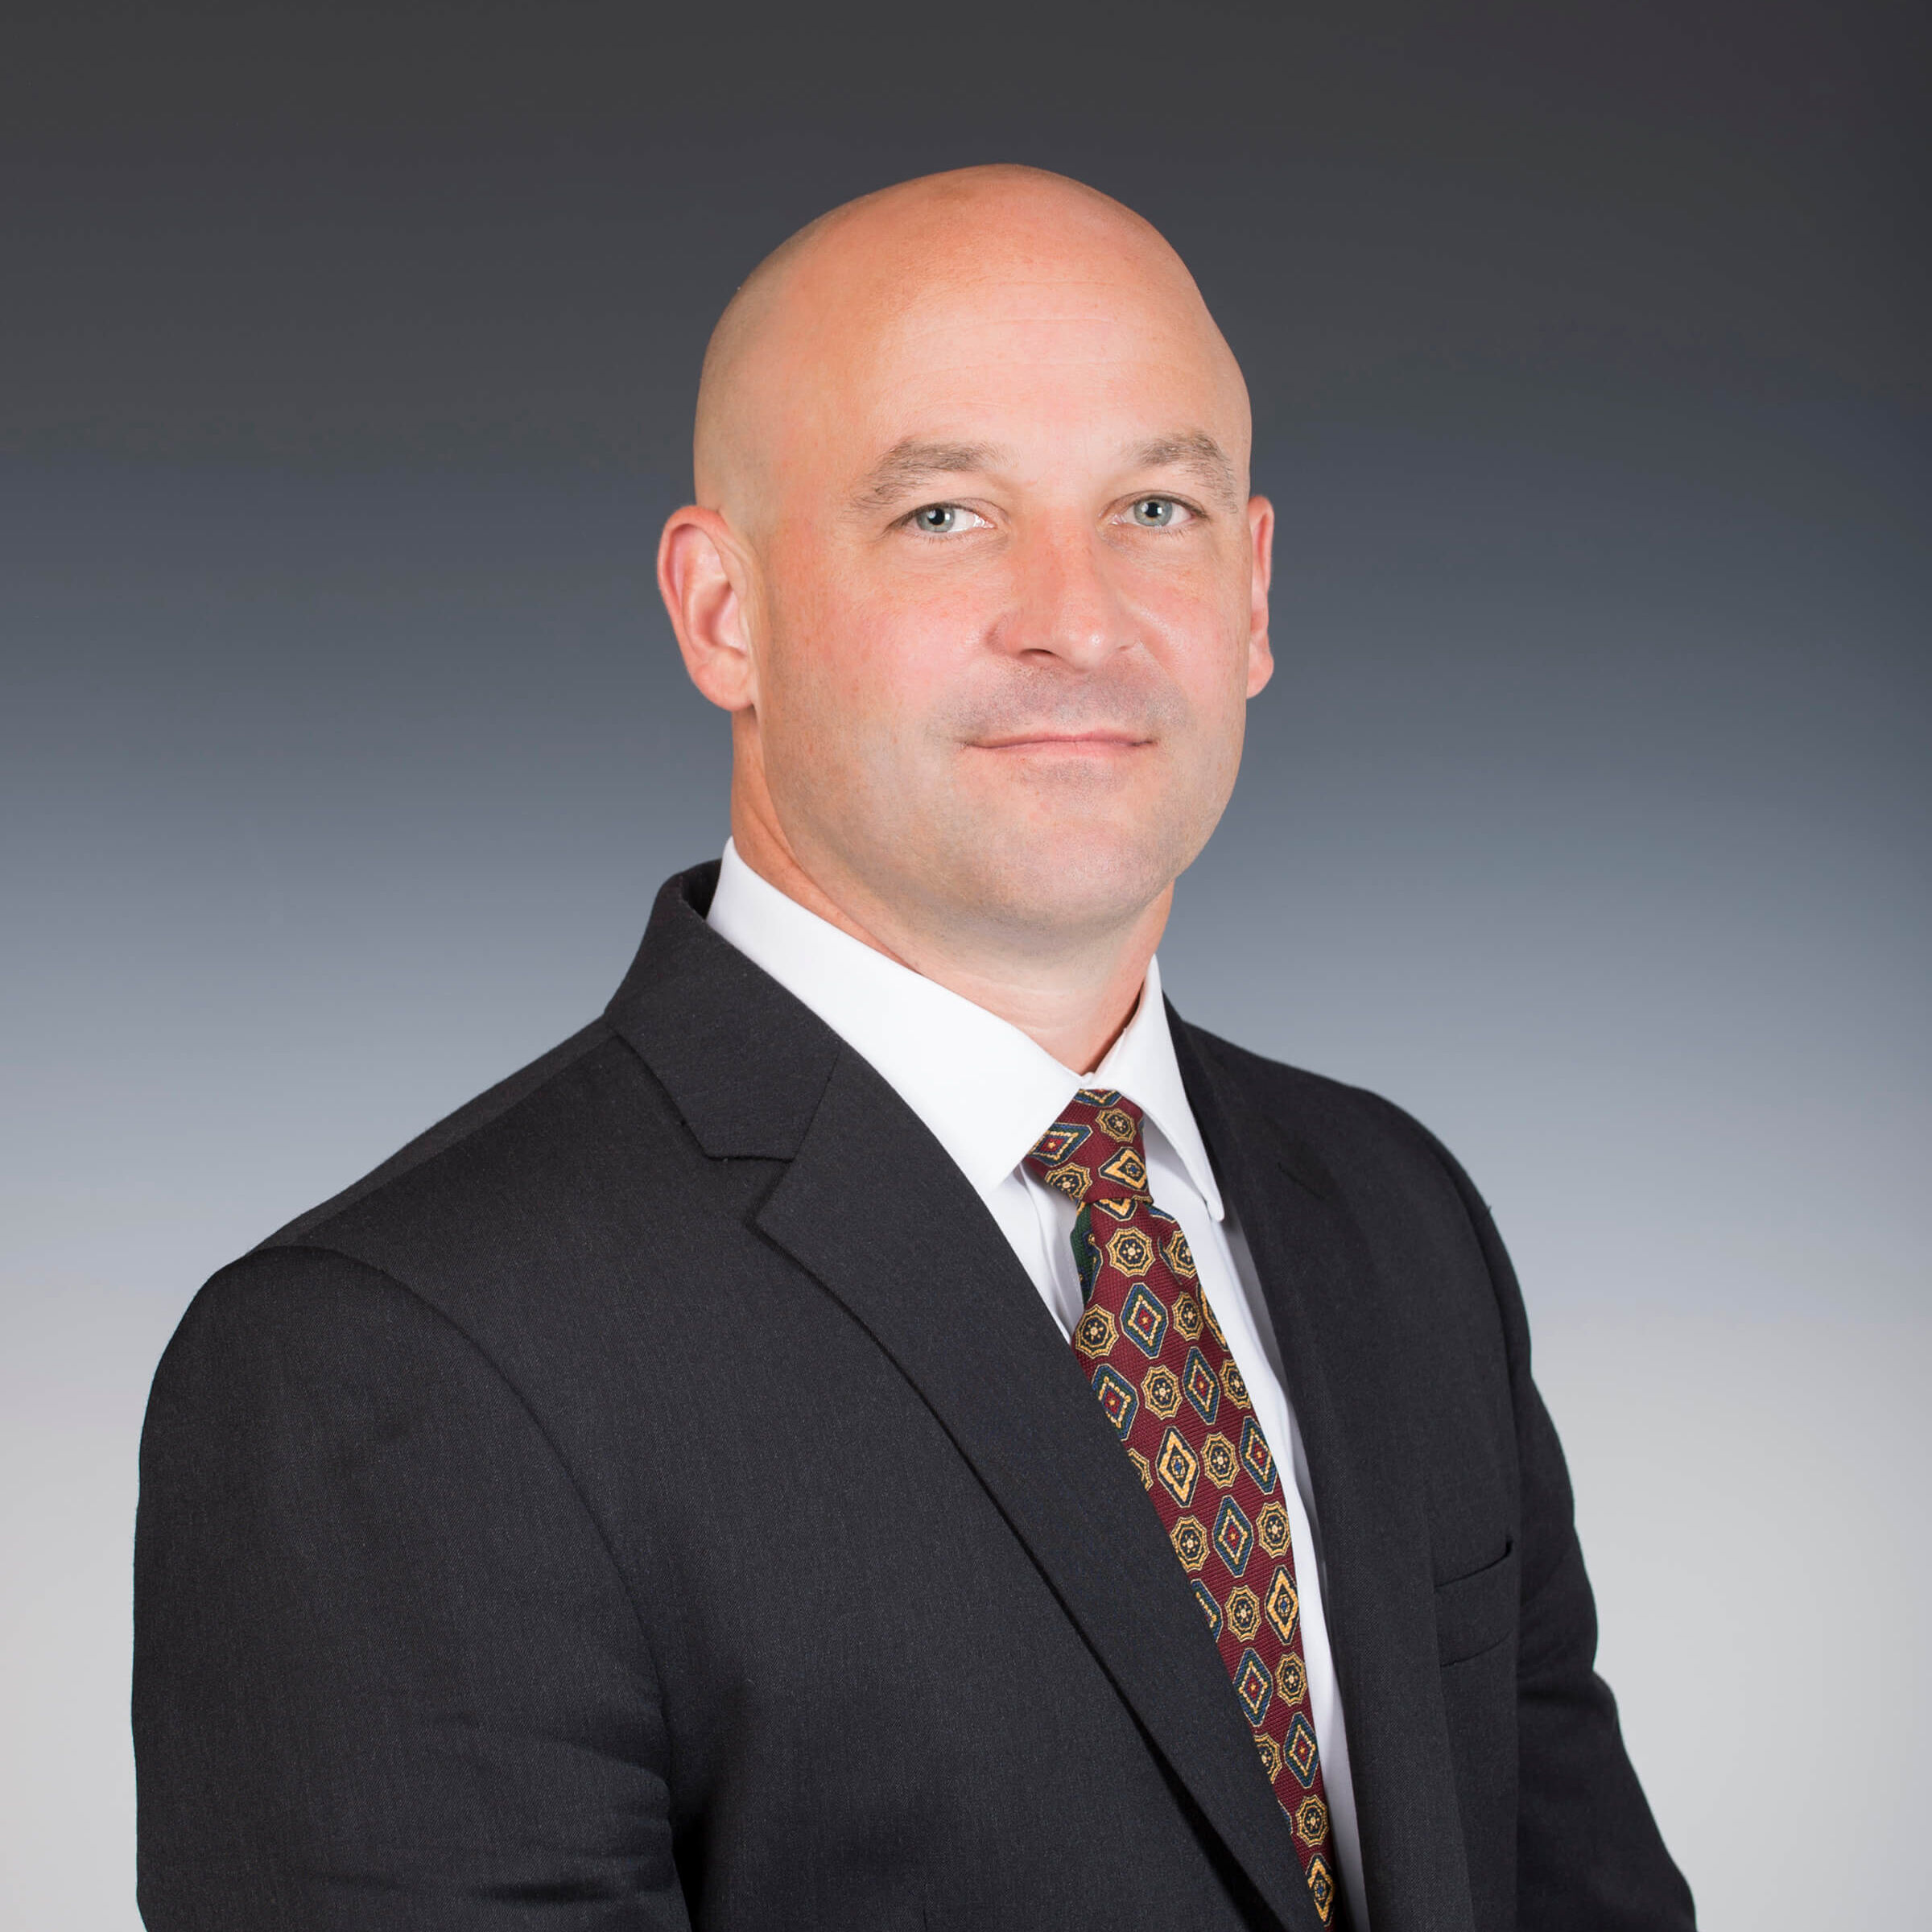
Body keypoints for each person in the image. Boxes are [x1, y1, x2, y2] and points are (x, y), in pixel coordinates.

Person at [133, 165, 1695, 1932]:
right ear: (726, 610)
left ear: (1255, 594)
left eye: (1158, 508)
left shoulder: (1397, 1219)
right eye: (947, 515)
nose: (1080, 616)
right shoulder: (391, 1369)